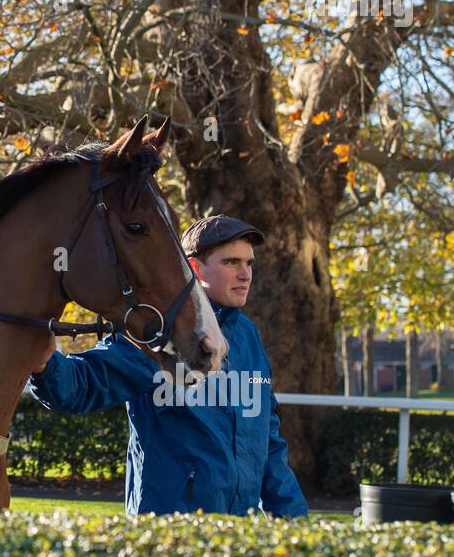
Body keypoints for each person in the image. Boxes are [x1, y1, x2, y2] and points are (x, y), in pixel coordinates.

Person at [27, 215, 309, 518]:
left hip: (238, 536)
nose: (245, 274)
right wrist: (43, 360)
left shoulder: (249, 335)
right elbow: (78, 385)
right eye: (231, 263)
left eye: (249, 263)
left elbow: (269, 443)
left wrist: (293, 524)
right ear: (195, 268)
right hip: (168, 533)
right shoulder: (157, 332)